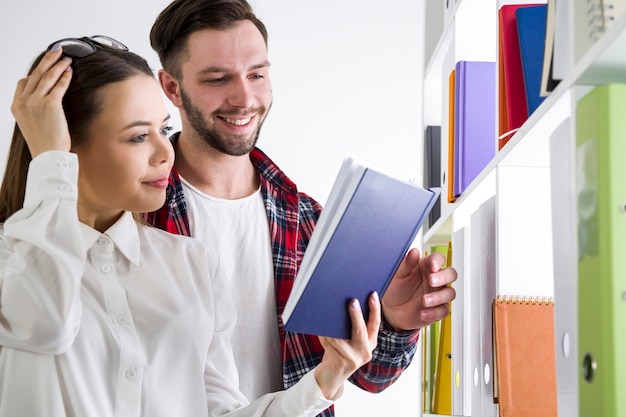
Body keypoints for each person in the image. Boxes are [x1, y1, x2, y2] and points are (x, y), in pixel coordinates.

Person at [0, 36, 382, 417]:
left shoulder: (191, 263)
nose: (166, 152)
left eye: (163, 130)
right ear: (65, 148)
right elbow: (44, 323)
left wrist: (326, 380)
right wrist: (48, 160)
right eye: (137, 136)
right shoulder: (10, 260)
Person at [146, 1, 458, 416]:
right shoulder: (134, 213)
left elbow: (371, 377)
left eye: (257, 74)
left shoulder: (309, 221)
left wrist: (395, 322)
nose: (245, 98)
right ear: (171, 88)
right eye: (218, 78)